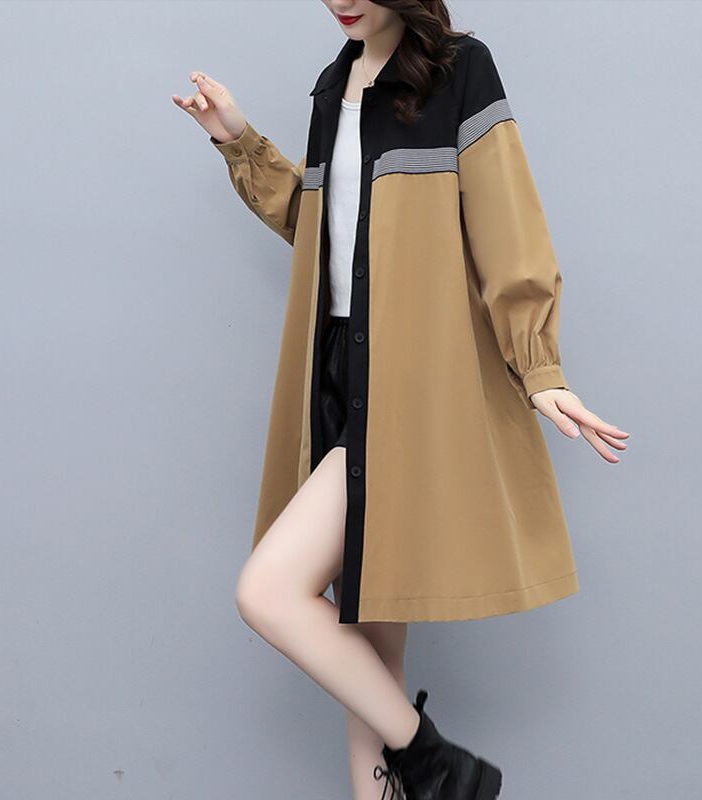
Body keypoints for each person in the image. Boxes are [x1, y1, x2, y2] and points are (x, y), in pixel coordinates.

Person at [172, 2, 630, 798]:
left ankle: (438, 764)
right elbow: (320, 225)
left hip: (406, 386)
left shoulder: (459, 71)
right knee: (368, 642)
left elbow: (507, 227)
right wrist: (239, 142)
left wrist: (541, 369)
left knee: (269, 592)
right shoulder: (335, 85)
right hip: (335, 376)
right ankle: (411, 777)